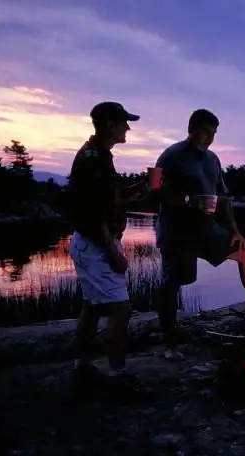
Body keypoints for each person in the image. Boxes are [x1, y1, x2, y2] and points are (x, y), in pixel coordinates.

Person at [154, 109, 245, 360]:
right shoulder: (171, 156)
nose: (209, 138)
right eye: (205, 131)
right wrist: (190, 201)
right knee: (174, 283)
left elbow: (223, 200)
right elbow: (156, 190)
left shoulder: (212, 159)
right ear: (191, 128)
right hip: (177, 233)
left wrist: (235, 231)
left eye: (213, 133)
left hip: (207, 231)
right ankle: (169, 344)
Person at [68, 101, 148, 390]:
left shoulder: (99, 156)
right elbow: (95, 214)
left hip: (89, 244)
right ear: (110, 125)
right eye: (124, 122)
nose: (127, 128)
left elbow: (110, 200)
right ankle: (118, 376)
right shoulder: (93, 160)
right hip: (96, 246)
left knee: (91, 307)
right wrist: (113, 253)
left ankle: (82, 369)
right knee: (120, 310)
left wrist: (143, 186)